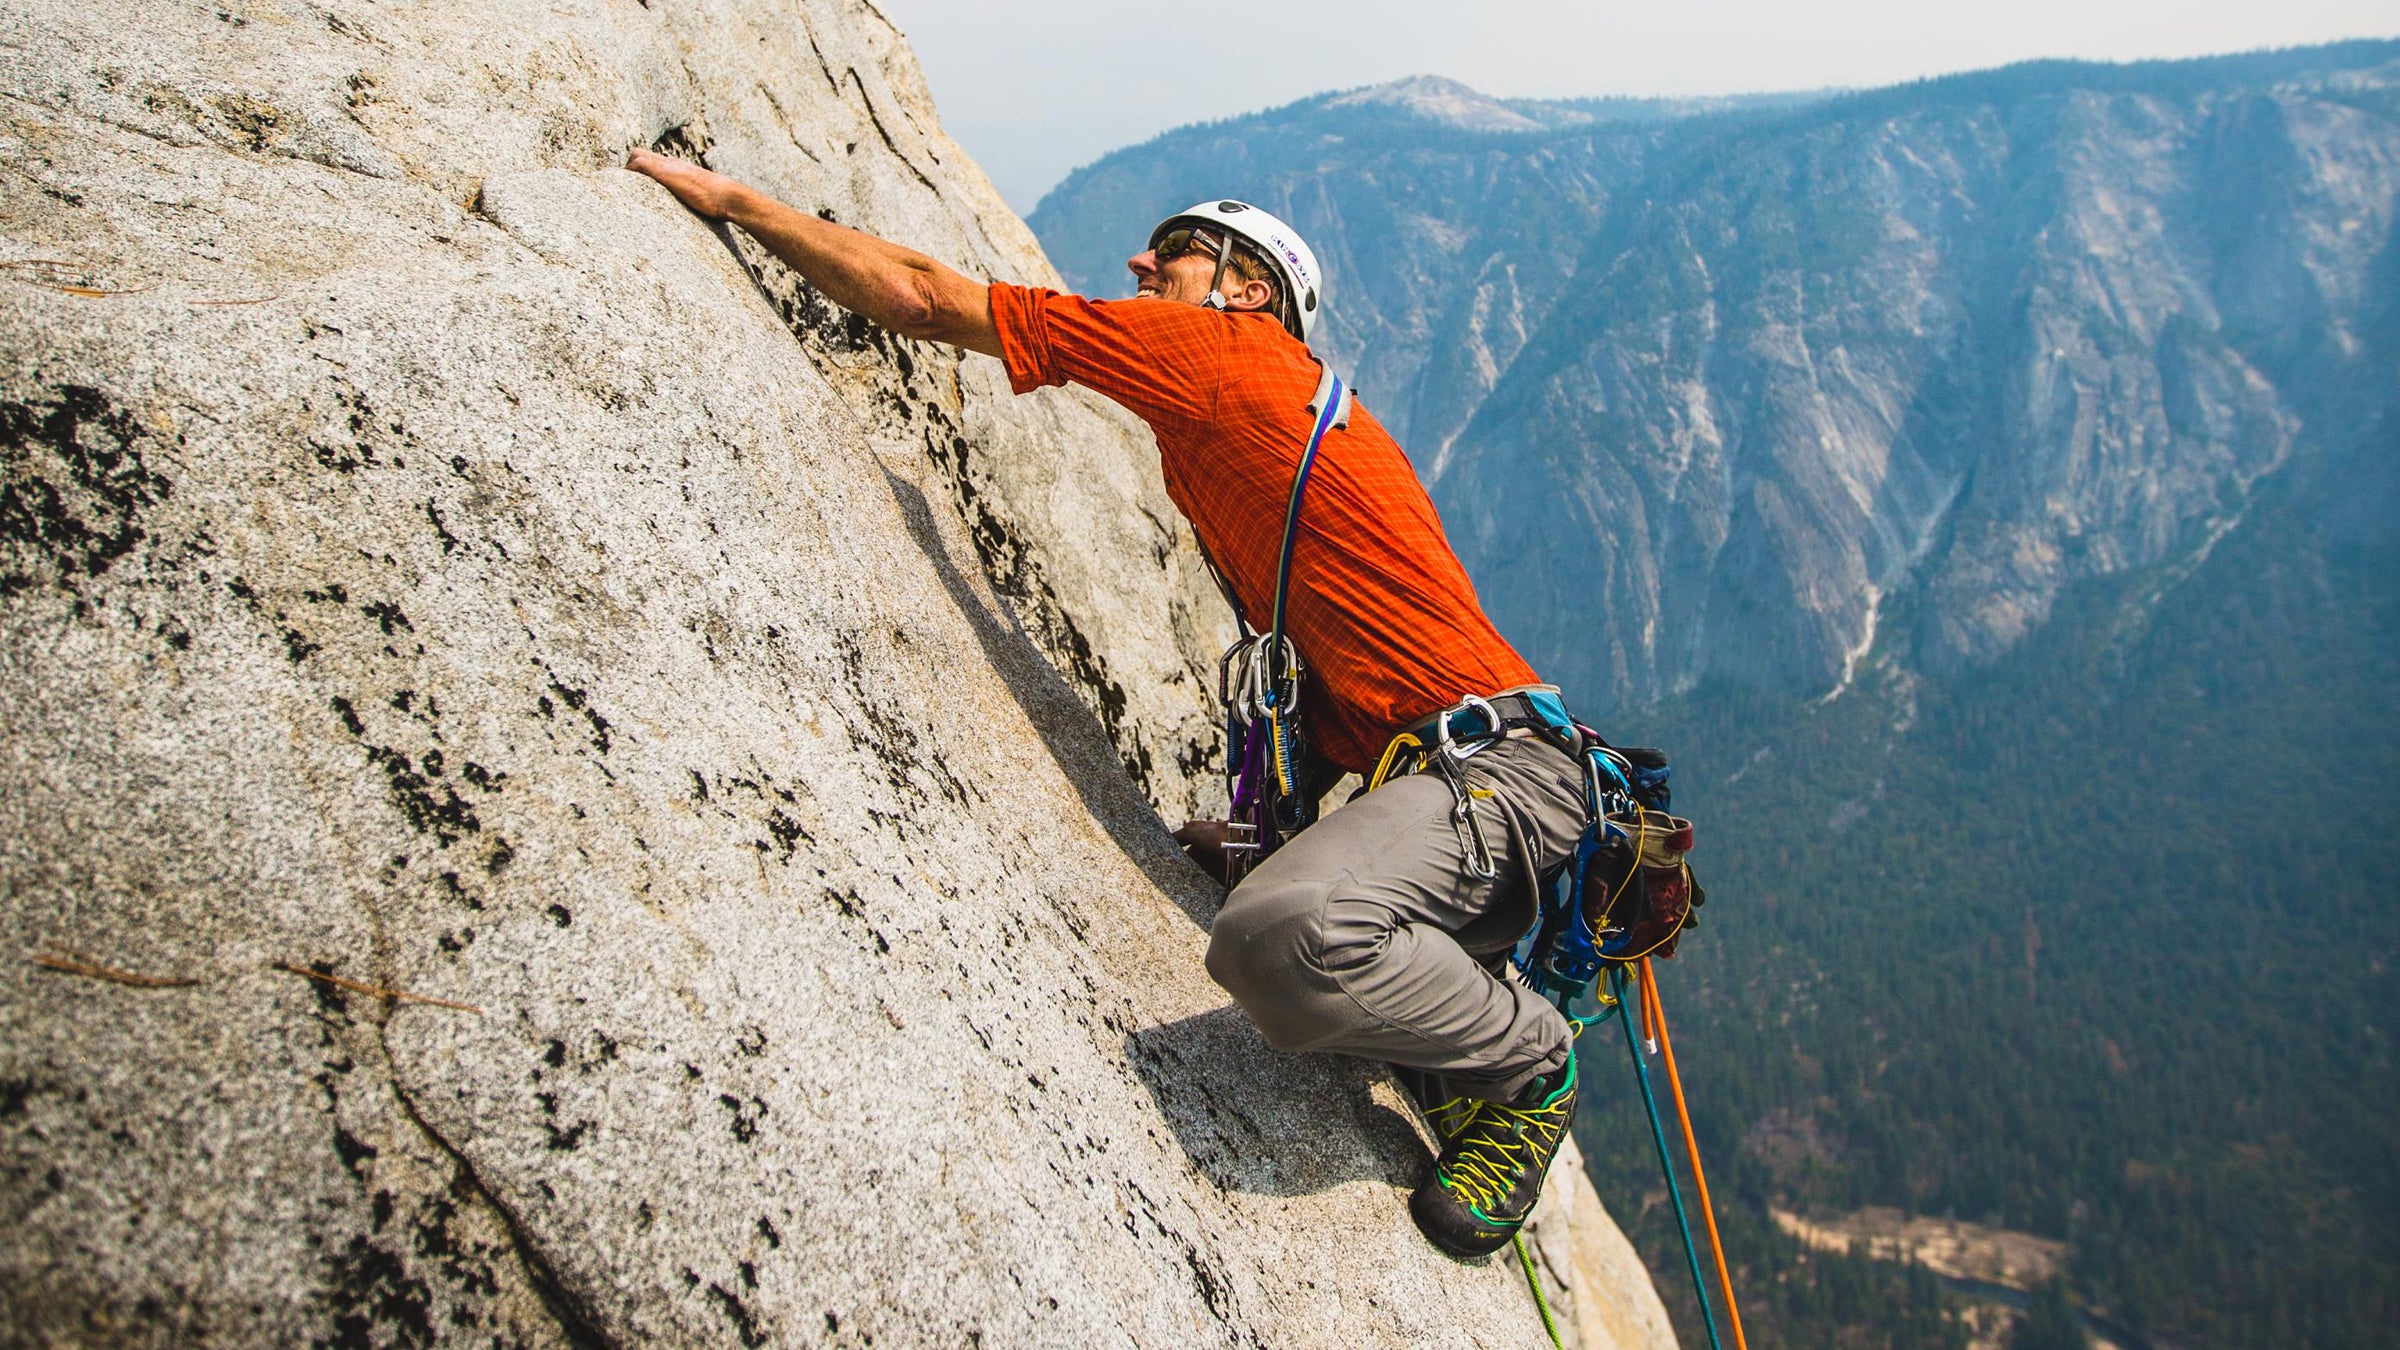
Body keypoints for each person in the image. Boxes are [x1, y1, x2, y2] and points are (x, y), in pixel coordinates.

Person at [627, 148, 1592, 1259]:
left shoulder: (1228, 354)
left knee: (1278, 941)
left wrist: (736, 202)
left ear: (1246, 290)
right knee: (1283, 905)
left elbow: (927, 298)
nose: (1141, 257)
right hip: (1482, 788)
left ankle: (1528, 1065)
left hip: (1496, 782)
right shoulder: (1257, 440)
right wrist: (1254, 831)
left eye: (1175, 250)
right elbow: (1342, 690)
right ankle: (1453, 1013)